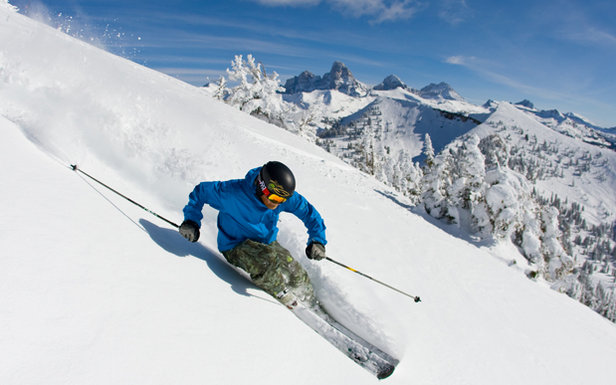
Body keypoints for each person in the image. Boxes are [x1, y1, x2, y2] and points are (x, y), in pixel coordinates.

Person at [178, 161, 327, 307]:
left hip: (267, 243)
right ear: (263, 188)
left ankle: (309, 300)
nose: (277, 203)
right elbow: (201, 192)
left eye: (282, 200)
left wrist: (317, 239)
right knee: (267, 263)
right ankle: (283, 295)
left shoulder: (280, 194)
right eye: (275, 198)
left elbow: (308, 212)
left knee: (295, 271)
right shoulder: (231, 193)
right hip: (235, 245)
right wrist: (191, 221)